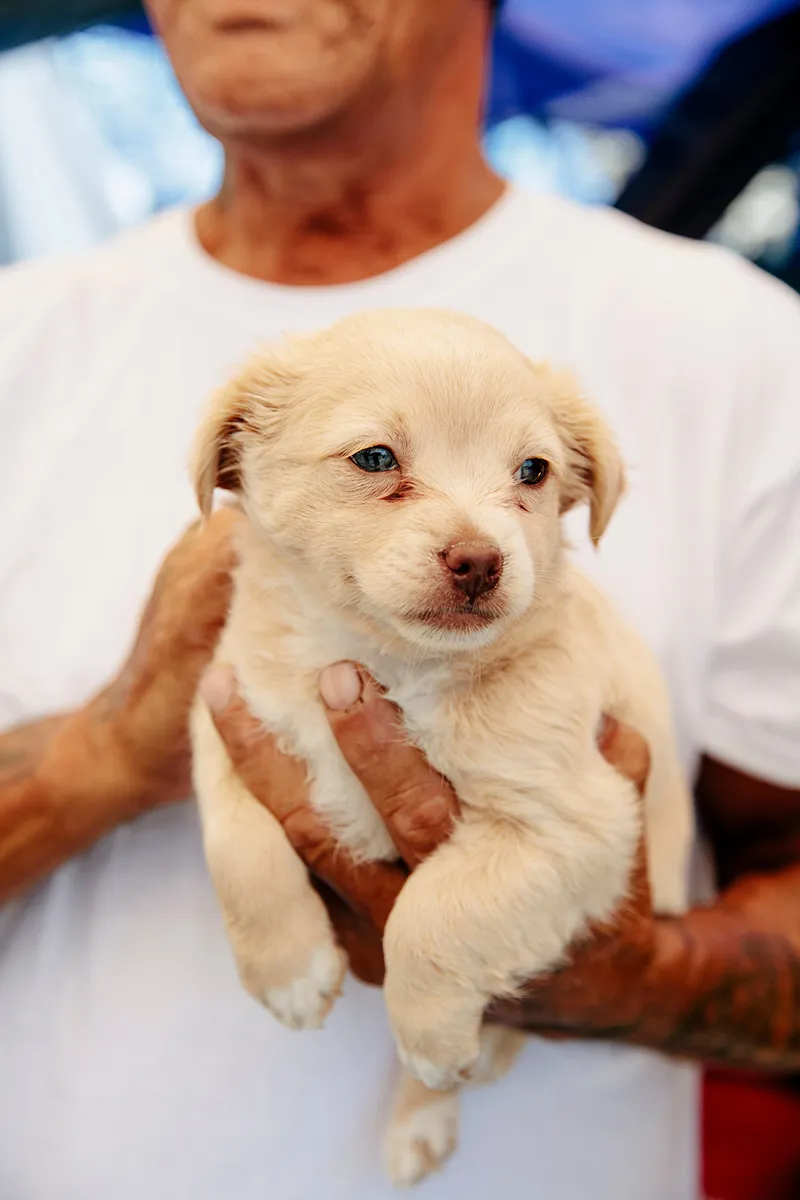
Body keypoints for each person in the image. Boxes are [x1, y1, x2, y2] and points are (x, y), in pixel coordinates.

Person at [0, 1, 798, 1197]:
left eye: (528, 480)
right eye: (376, 466)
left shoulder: (738, 346)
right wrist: (107, 755)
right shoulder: (21, 340)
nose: (473, 539)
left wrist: (630, 974)